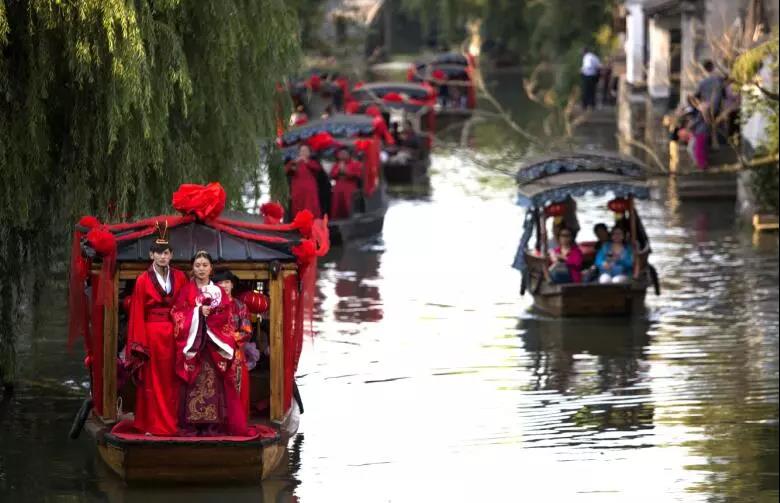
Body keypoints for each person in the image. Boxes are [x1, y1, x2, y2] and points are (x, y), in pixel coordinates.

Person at [172, 251, 247, 436]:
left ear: (211, 268)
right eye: (197, 265)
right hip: (193, 344)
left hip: (213, 345)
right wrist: (197, 313)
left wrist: (211, 321)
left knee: (213, 384)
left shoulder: (218, 292)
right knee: (192, 382)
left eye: (205, 265)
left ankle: (212, 425)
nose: (201, 269)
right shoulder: (186, 291)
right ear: (192, 268)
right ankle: (191, 424)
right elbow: (177, 314)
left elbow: (226, 317)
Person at [124, 227, 187, 436]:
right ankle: (151, 425)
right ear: (151, 255)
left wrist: (185, 334)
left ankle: (173, 422)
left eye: (166, 253)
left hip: (174, 334)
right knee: (152, 380)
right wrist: (139, 343)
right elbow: (137, 312)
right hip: (151, 335)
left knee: (171, 380)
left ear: (171, 255)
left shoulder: (180, 277)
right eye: (158, 253)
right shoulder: (143, 280)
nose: (162, 256)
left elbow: (185, 306)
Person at [213, 268, 255, 417]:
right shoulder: (211, 306)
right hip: (214, 353)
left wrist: (227, 340)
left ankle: (236, 420)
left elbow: (246, 331)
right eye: (220, 283)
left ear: (232, 284)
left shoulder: (240, 306)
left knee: (236, 389)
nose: (224, 285)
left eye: (227, 282)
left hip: (235, 353)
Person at [286, 144, 324, 218]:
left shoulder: (313, 162)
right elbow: (287, 171)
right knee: (298, 208)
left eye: (306, 150)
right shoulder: (294, 162)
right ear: (299, 152)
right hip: (298, 190)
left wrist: (306, 162)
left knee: (311, 208)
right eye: (302, 150)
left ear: (309, 153)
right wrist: (294, 163)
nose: (304, 152)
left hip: (310, 190)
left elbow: (318, 169)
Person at [330, 147, 364, 220]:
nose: (342, 155)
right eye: (340, 154)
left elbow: (358, 174)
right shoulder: (336, 165)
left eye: (344, 153)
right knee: (337, 205)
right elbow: (332, 175)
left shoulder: (355, 164)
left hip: (350, 187)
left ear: (348, 154)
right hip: (338, 187)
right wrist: (338, 170)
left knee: (349, 205)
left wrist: (346, 171)